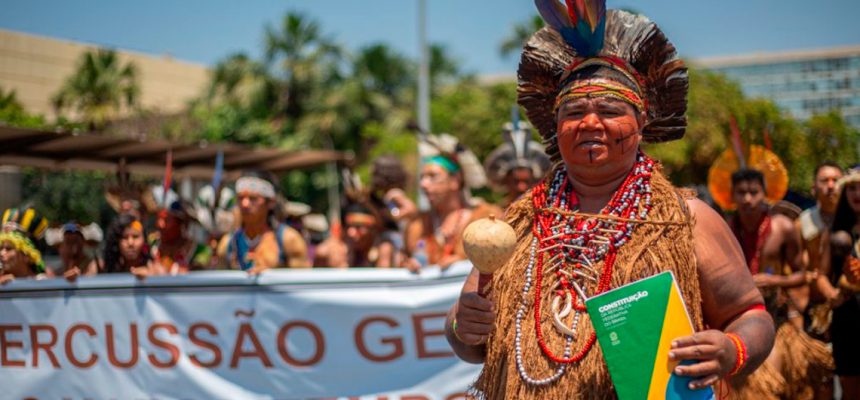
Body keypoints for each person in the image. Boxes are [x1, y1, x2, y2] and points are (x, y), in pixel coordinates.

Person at [445, 3, 775, 398]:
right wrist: (462, 326)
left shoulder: (687, 220)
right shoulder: (516, 225)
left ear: (641, 123)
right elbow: (470, 344)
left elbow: (750, 315)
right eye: (573, 112)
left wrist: (731, 350)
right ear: (555, 128)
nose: (589, 123)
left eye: (609, 109)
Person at [729, 168, 832, 399]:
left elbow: (802, 275)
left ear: (765, 193)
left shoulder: (782, 227)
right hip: (740, 318)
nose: (747, 199)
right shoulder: (726, 228)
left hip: (777, 317)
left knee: (783, 383)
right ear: (732, 196)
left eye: (754, 192)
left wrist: (774, 280)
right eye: (741, 193)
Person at [403, 134, 500, 271]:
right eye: (422, 177)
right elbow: (402, 260)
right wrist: (408, 264)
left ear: (455, 180)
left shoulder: (484, 219)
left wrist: (463, 262)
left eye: (432, 176)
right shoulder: (418, 226)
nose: (423, 184)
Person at [817, 166, 860, 399]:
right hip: (847, 318)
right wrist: (832, 295)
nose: (857, 194)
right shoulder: (835, 230)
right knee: (850, 387)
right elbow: (822, 275)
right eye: (852, 188)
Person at [218, 171, 309, 272]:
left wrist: (269, 275)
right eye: (240, 198)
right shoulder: (227, 244)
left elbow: (300, 282)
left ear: (270, 202)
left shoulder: (289, 240)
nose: (245, 204)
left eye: (253, 198)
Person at [799, 162, 843, 339]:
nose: (831, 185)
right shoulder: (803, 222)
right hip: (813, 305)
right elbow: (795, 266)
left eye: (835, 180)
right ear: (814, 188)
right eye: (824, 180)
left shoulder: (854, 220)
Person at [484, 118, 552, 208]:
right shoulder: (493, 215)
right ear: (506, 181)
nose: (521, 187)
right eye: (516, 181)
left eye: (527, 181)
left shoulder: (549, 214)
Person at [314, 197, 400, 268]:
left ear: (373, 229)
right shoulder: (330, 250)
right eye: (348, 226)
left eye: (358, 227)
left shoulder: (383, 249)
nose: (351, 232)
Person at [0, 207, 49, 284]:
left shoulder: (43, 282)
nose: (1, 253)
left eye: (9, 249)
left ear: (27, 255)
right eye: (0, 248)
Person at [103, 213, 157, 279]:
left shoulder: (156, 271)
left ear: (144, 240)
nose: (130, 243)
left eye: (135, 237)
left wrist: (150, 279)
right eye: (124, 237)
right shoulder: (102, 268)